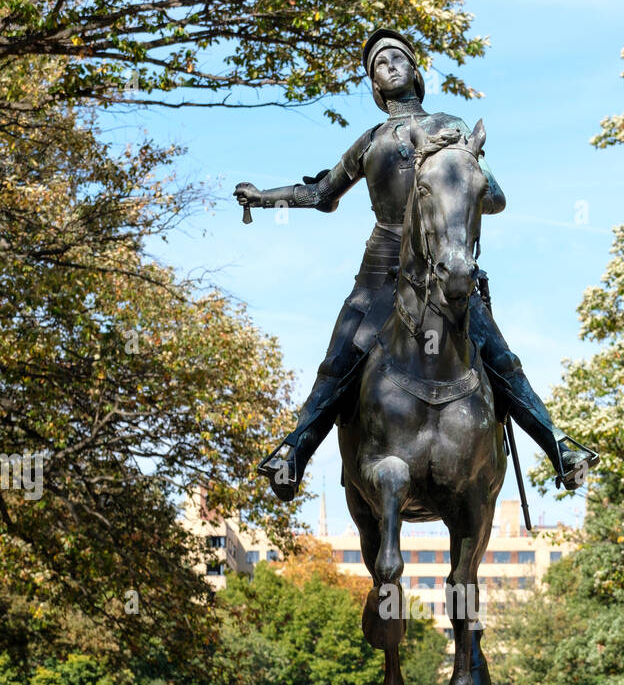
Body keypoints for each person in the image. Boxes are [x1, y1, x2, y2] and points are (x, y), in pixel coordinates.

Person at [234, 28, 599, 504]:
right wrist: (265, 198)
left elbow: (495, 196)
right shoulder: (369, 142)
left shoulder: (451, 125)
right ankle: (294, 453)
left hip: (445, 271)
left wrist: (460, 185)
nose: (388, 65)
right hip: (379, 274)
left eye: (397, 58)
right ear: (374, 85)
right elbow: (321, 195)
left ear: (415, 71)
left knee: (501, 359)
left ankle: (560, 447)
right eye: (378, 63)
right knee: (337, 362)